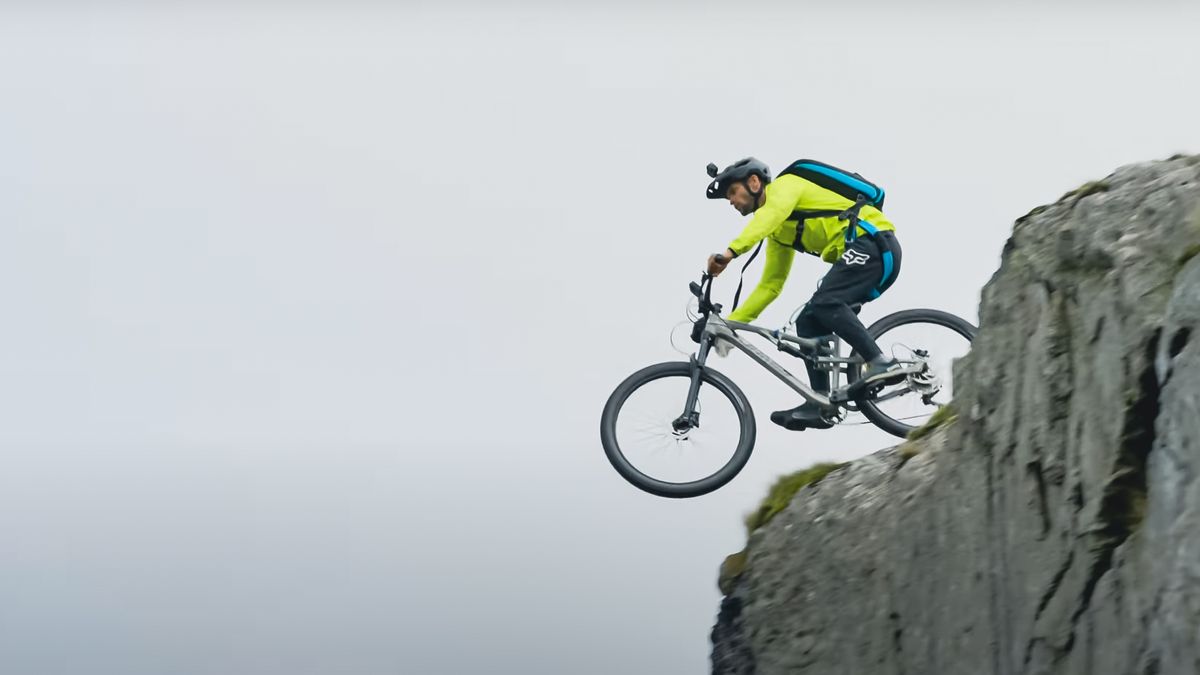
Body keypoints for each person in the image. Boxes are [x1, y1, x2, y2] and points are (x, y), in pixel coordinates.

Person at [704, 157, 904, 431]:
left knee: (825, 302)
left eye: (732, 193)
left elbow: (768, 216)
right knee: (809, 320)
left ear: (753, 183)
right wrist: (730, 325)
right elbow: (770, 285)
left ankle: (881, 362)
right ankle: (820, 403)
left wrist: (729, 254)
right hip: (861, 255)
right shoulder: (778, 232)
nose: (731, 202)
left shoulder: (786, 187)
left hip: (873, 243)